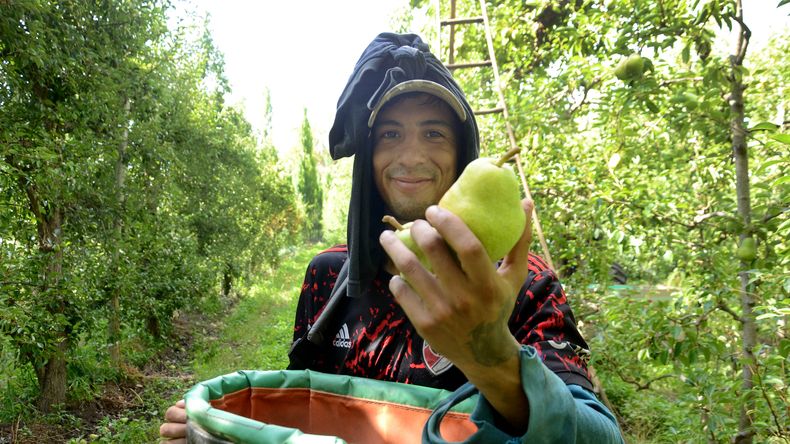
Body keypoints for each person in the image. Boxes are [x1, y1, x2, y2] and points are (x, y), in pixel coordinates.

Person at [160, 32, 623, 442]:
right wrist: (220, 430)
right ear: (368, 156)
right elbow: (306, 414)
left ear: (463, 154)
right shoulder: (330, 276)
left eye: (434, 133)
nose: (411, 157)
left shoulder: (520, 284)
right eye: (391, 133)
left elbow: (599, 437)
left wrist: (491, 357)